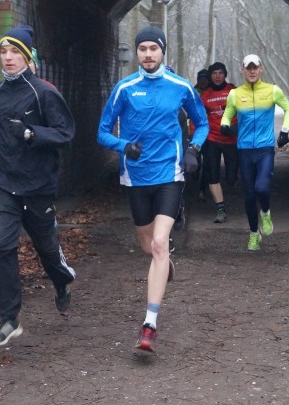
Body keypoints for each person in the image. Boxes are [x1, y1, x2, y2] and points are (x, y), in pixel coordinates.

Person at [97, 26, 209, 352]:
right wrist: (122, 146)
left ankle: (149, 324)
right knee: (148, 247)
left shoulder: (180, 86)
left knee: (161, 243)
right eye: (142, 48)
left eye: (153, 48)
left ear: (162, 51)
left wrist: (194, 150)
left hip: (170, 175)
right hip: (135, 177)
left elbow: (201, 123)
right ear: (137, 53)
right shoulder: (124, 88)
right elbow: (101, 132)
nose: (148, 54)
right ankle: (165, 262)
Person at [0, 25, 77, 346]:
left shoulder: (44, 93)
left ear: (27, 56)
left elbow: (65, 133)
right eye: (4, 52)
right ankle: (8, 319)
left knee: (46, 248)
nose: (8, 58)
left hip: (38, 186)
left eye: (15, 52)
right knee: (2, 245)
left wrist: (33, 133)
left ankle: (61, 280)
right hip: (4, 183)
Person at [221, 54, 289, 251]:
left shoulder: (272, 90)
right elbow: (228, 112)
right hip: (244, 151)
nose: (252, 71)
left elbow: (288, 109)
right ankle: (254, 234)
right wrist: (225, 124)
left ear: (261, 69)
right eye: (248, 68)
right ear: (242, 70)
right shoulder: (235, 94)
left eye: (255, 68)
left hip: (264, 149)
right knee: (250, 195)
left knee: (262, 188)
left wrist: (285, 131)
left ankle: (266, 213)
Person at [201, 62, 238, 223]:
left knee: (231, 178)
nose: (217, 76)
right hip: (212, 139)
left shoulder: (233, 91)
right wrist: (197, 139)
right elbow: (199, 118)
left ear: (225, 74)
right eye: (214, 73)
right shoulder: (205, 95)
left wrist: (236, 127)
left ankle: (231, 179)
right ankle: (220, 209)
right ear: (210, 76)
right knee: (213, 174)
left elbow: (245, 112)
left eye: (220, 72)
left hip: (232, 139)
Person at [189, 69, 211, 201]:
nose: (203, 81)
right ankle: (195, 172)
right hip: (194, 133)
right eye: (200, 78)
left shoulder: (211, 93)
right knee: (196, 161)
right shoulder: (192, 91)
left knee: (208, 164)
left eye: (205, 78)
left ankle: (203, 189)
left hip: (210, 134)